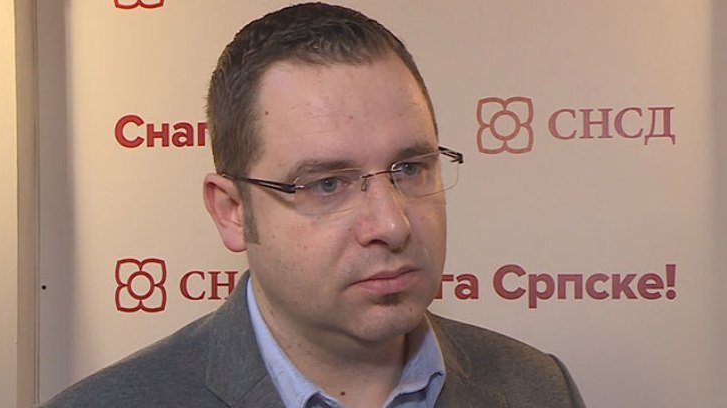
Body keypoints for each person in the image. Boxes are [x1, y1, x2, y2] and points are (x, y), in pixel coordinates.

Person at [40, 3, 585, 407]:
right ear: (232, 211)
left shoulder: (537, 388)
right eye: (327, 184)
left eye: (410, 169)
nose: (392, 224)